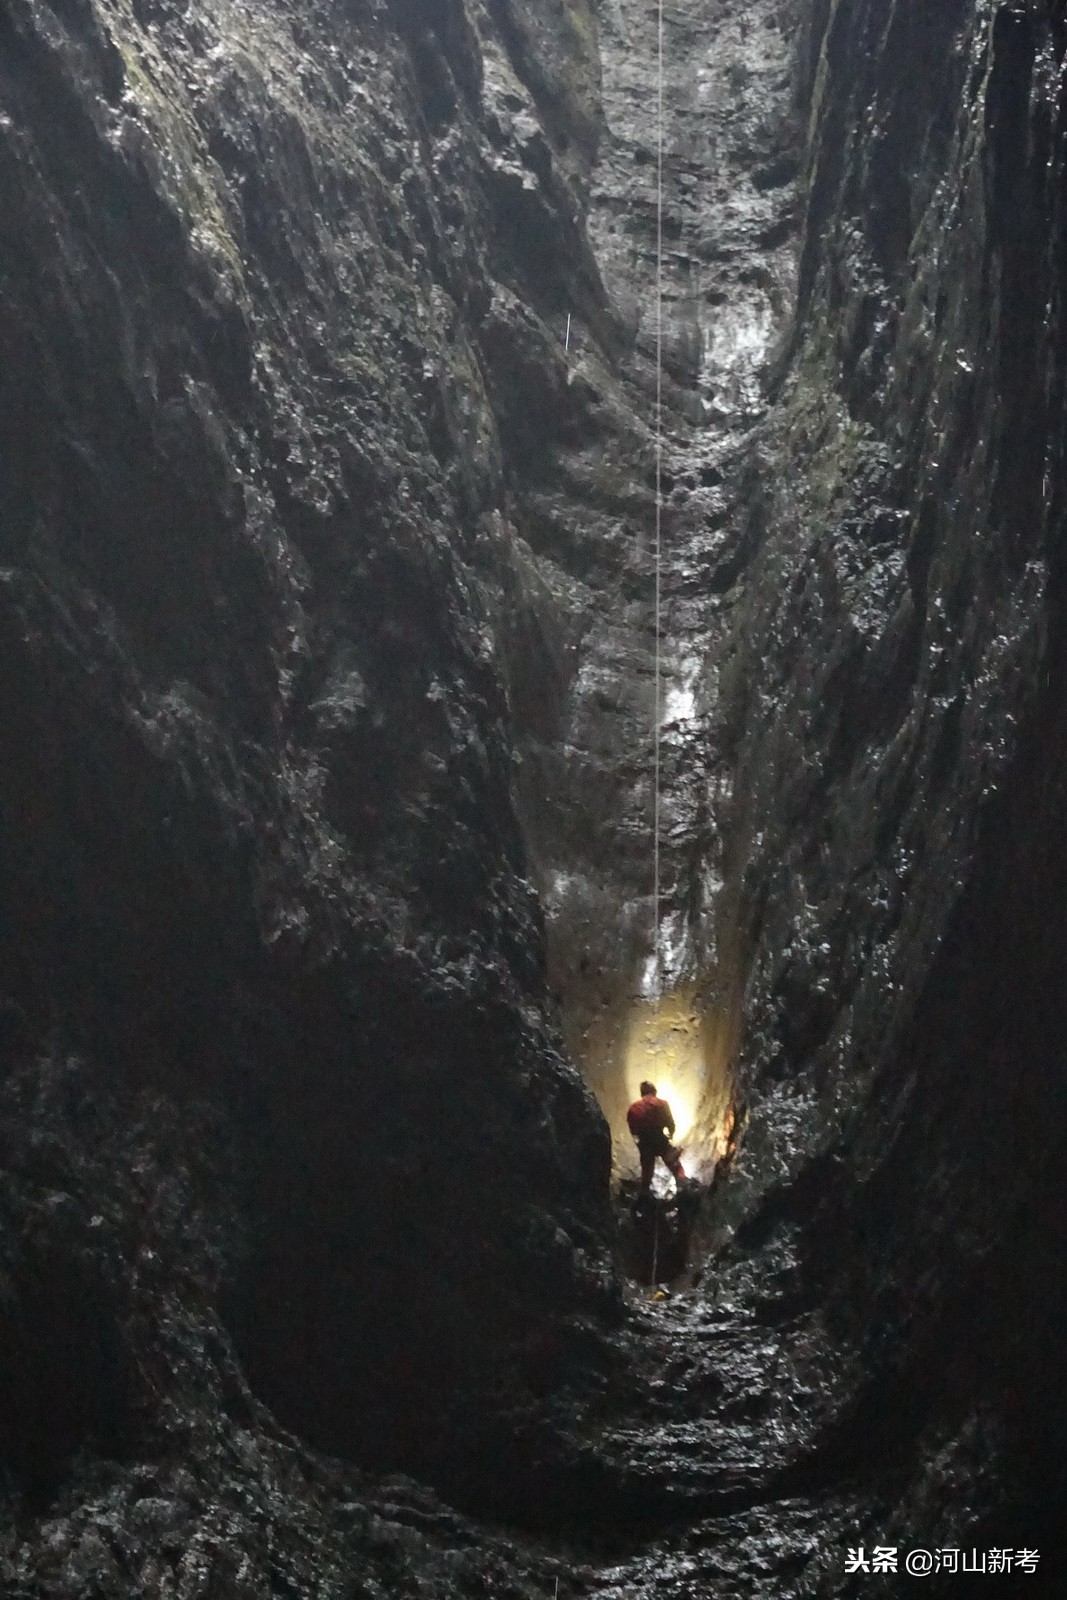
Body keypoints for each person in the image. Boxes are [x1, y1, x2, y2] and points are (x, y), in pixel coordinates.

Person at [627, 1080, 687, 1192]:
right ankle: (684, 1190)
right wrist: (670, 1135)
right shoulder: (662, 1103)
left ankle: (644, 1197)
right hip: (660, 1139)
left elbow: (633, 1131)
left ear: (641, 1093)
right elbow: (671, 1124)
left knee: (647, 1174)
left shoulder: (634, 1108)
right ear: (654, 1091)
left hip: (645, 1143)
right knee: (676, 1167)